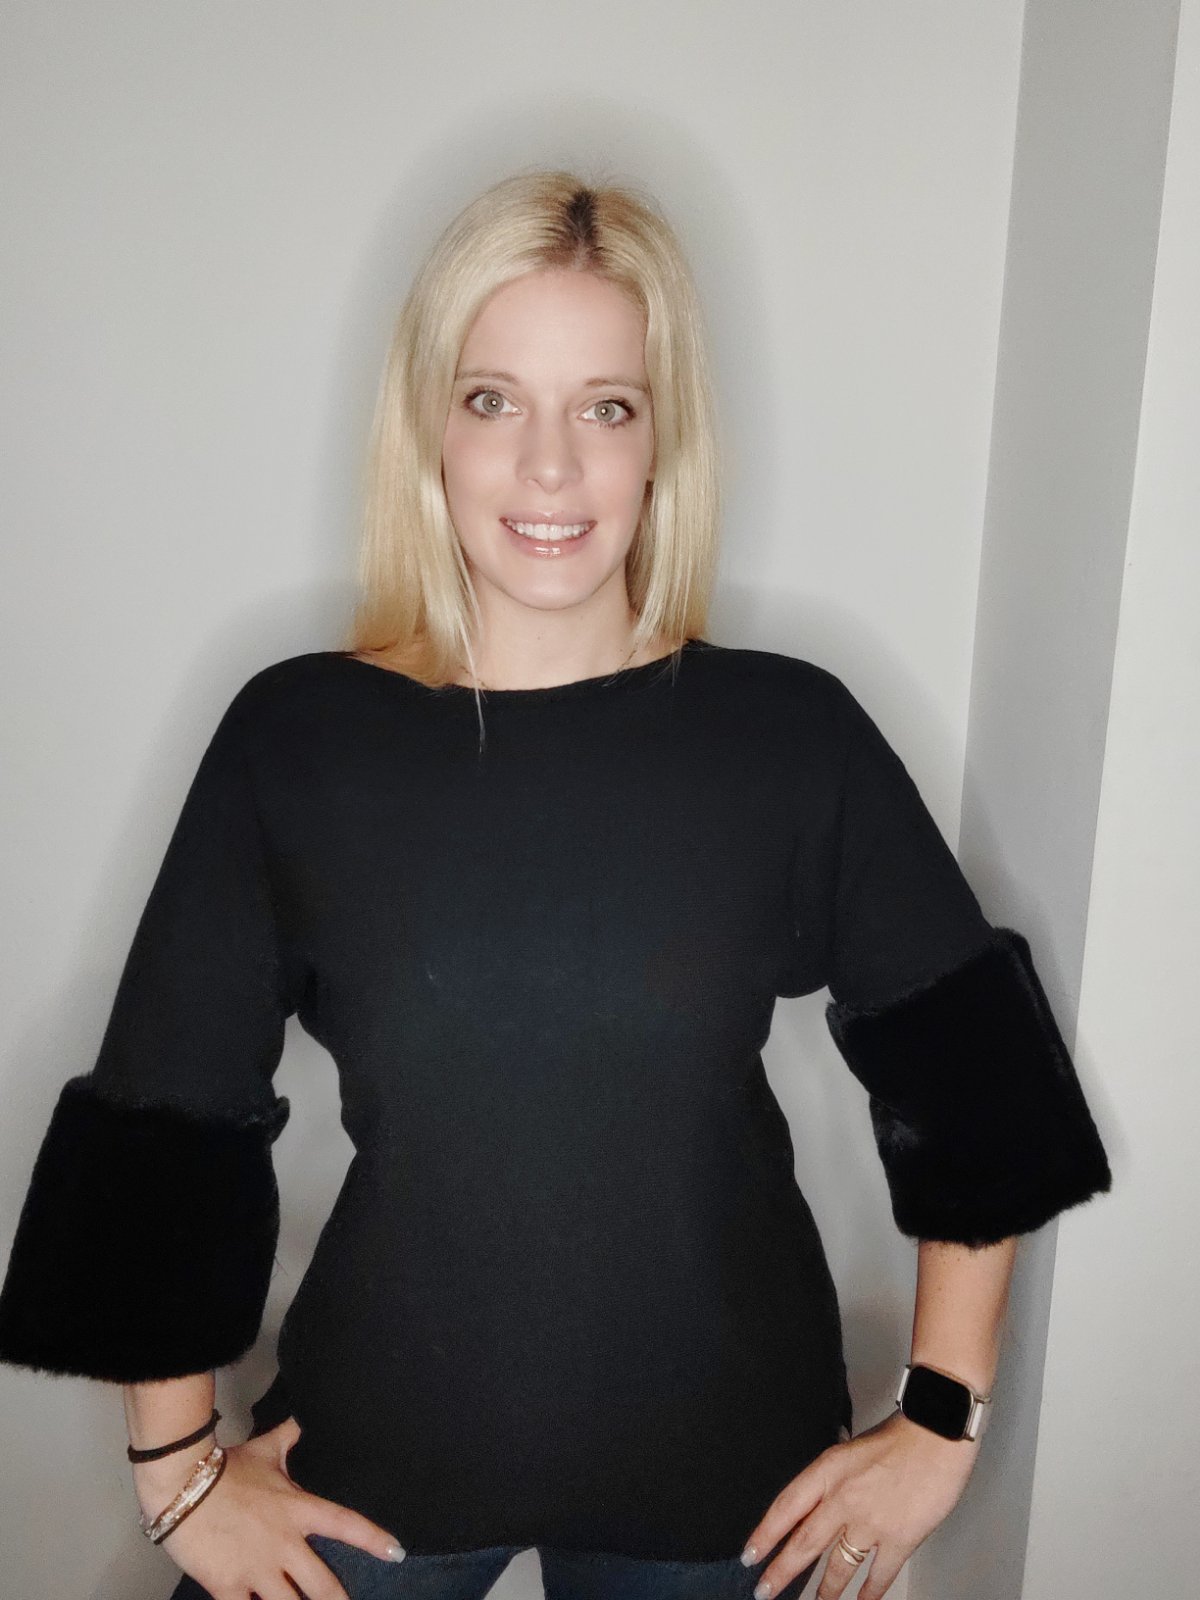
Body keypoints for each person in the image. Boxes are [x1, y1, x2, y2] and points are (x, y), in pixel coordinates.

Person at [0, 170, 1112, 1600]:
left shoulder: (785, 736)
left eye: (606, 407)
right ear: (430, 428)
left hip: (734, 1472)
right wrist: (176, 1477)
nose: (548, 468)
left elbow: (979, 1093)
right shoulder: (301, 739)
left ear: (662, 441)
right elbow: (167, 1117)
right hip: (377, 1440)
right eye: (493, 401)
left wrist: (942, 1420)